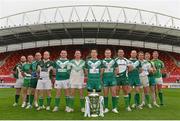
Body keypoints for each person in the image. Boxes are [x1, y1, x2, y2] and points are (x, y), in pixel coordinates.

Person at [102, 49, 118, 113]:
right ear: (105, 54)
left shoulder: (114, 61)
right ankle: (106, 108)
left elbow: (117, 69)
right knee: (105, 94)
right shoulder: (102, 61)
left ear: (110, 54)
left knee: (114, 93)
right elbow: (101, 71)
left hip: (112, 79)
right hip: (105, 79)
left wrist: (114, 76)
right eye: (106, 53)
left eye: (109, 53)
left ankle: (114, 108)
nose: (107, 54)